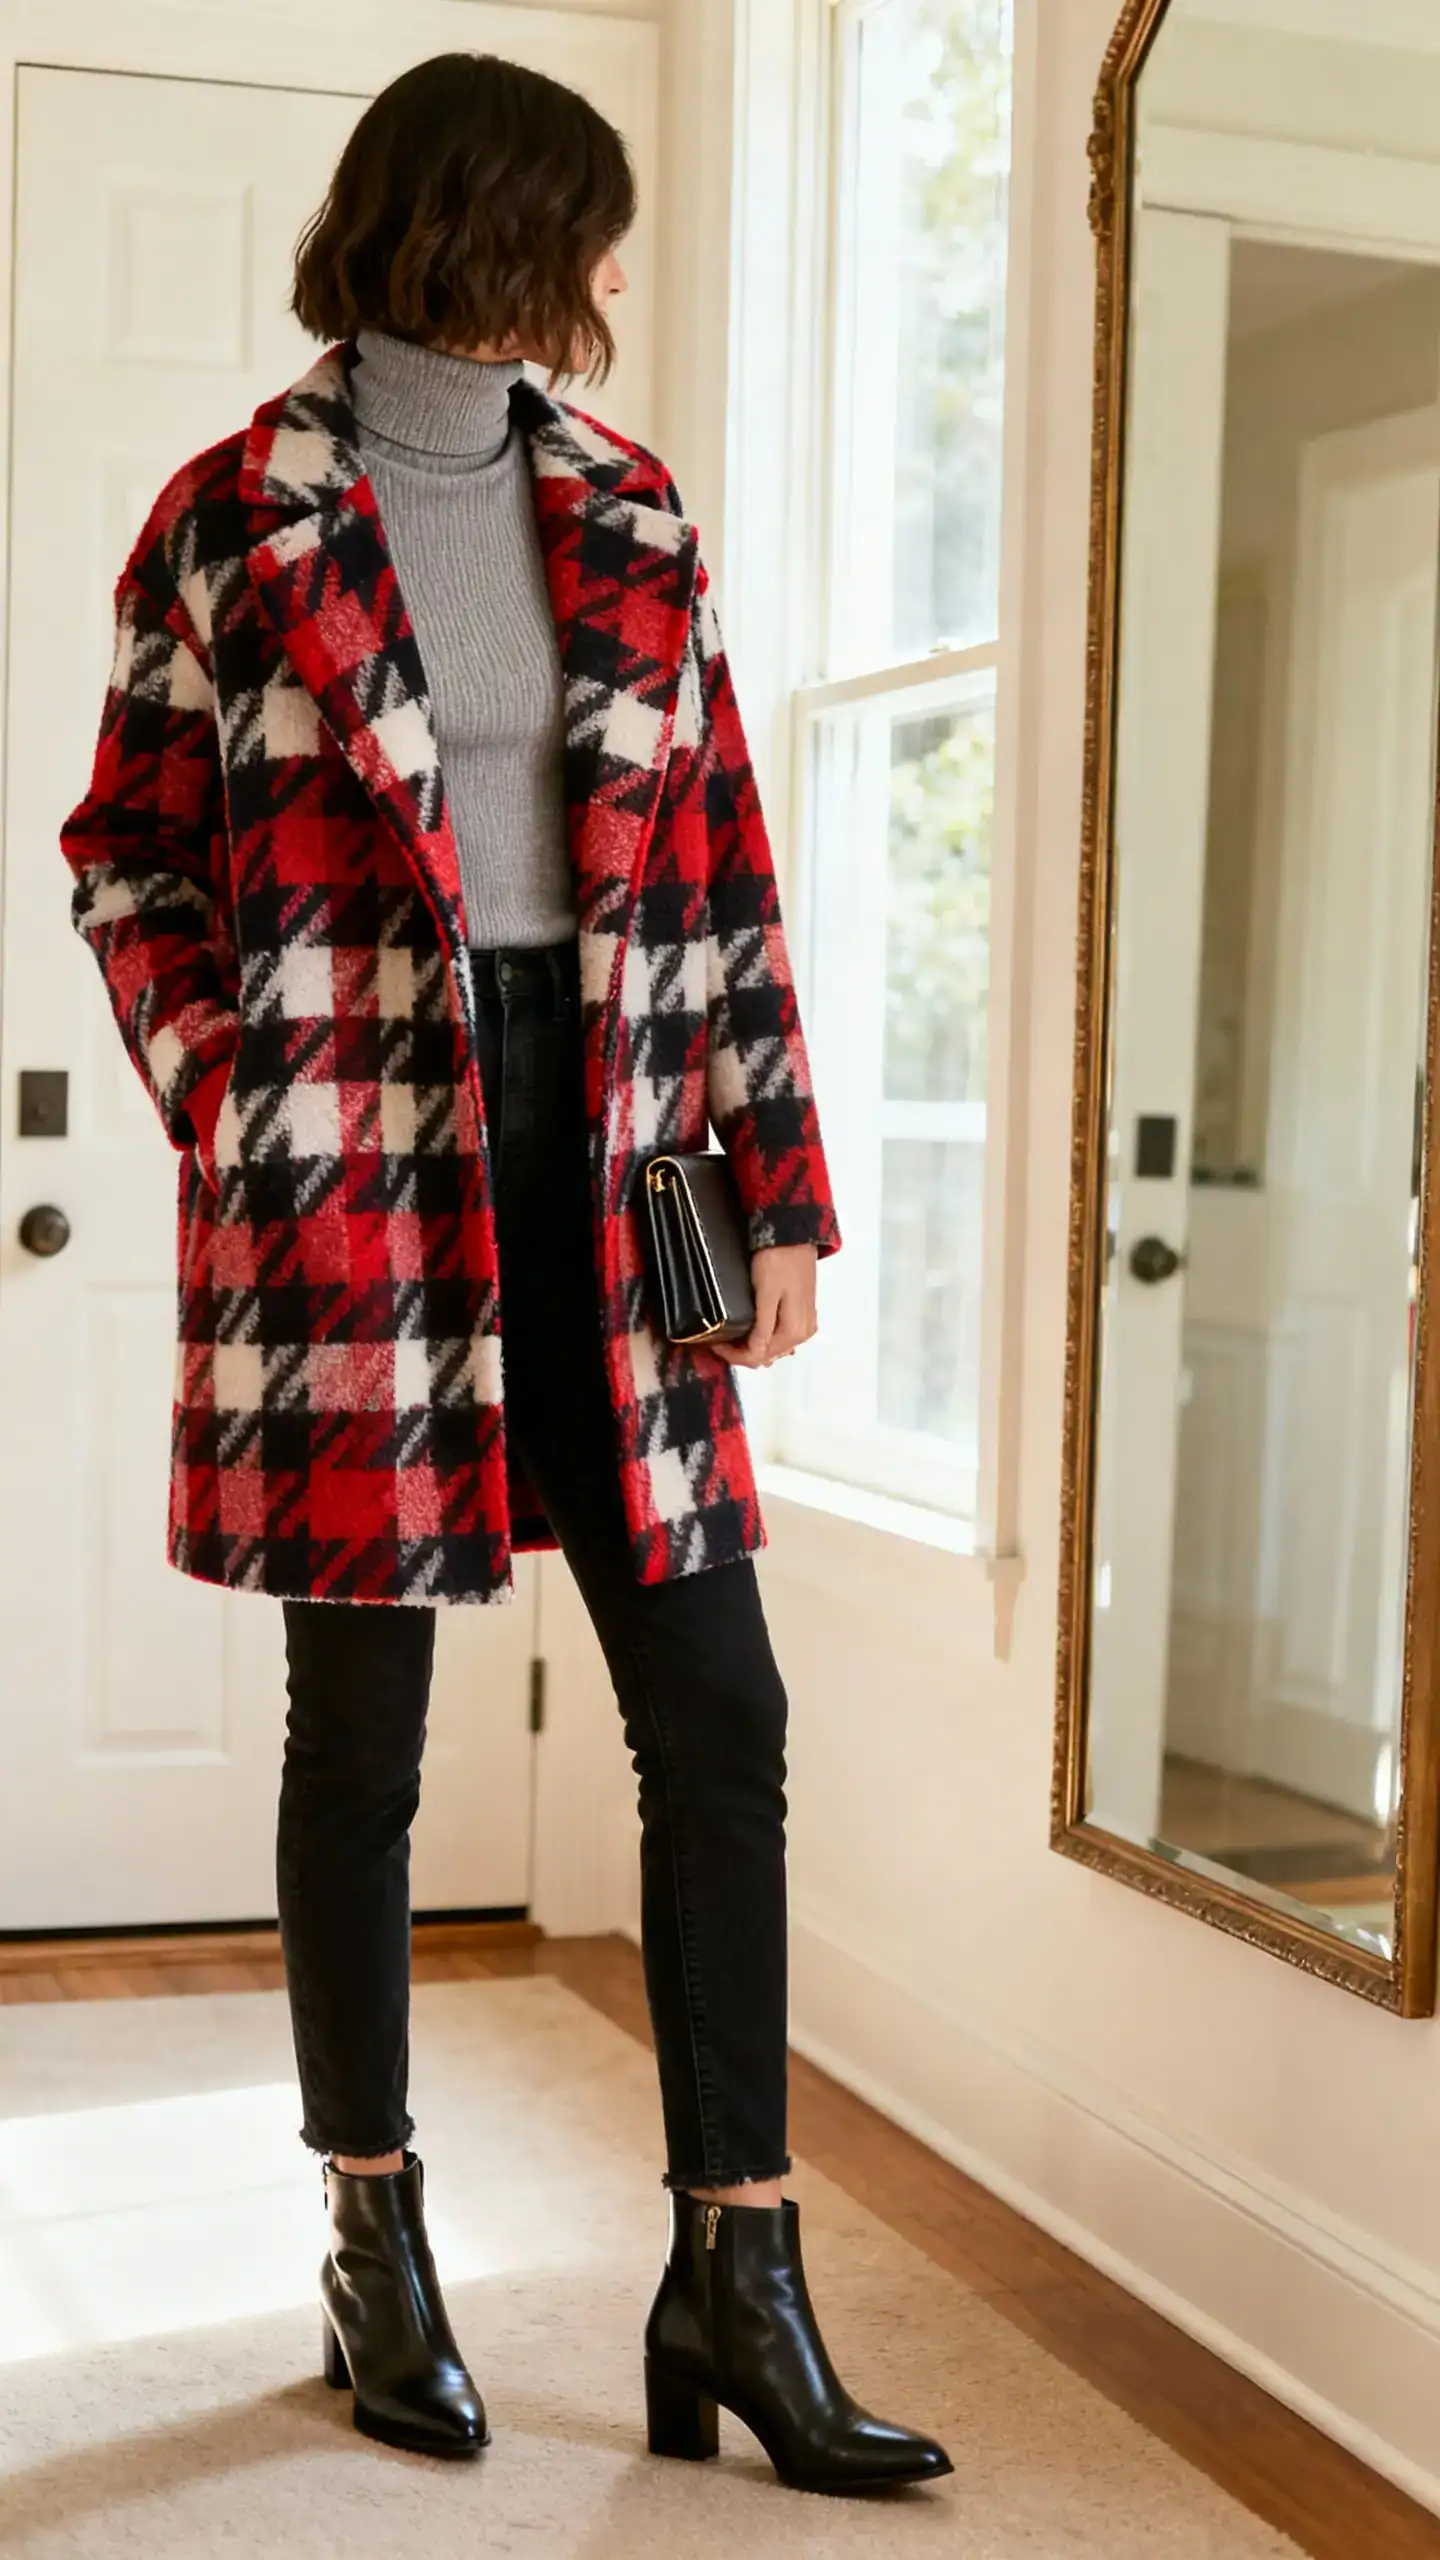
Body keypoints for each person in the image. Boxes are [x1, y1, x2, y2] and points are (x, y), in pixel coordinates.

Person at [60, 49, 952, 2497]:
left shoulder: (634, 510)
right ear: (496, 230)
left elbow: (726, 863)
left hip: (618, 1138)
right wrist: (236, 1087)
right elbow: (125, 849)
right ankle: (375, 2236)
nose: (614, 285)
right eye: (591, 236)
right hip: (351, 1145)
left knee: (720, 1709)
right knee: (362, 1740)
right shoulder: (234, 516)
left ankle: (735, 2270)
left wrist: (773, 1185)